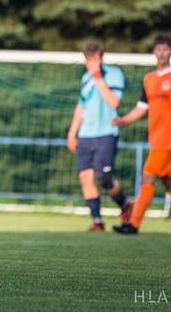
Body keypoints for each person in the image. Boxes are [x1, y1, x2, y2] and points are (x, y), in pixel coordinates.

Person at [113, 34, 171, 236]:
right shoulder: (149, 79)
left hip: (169, 138)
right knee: (169, 181)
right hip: (155, 138)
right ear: (154, 52)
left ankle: (133, 224)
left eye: (166, 49)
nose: (162, 53)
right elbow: (141, 108)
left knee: (148, 176)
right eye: (158, 49)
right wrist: (123, 119)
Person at [66, 43, 132, 232]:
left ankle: (125, 204)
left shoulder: (114, 74)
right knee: (85, 177)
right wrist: (72, 133)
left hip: (106, 134)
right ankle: (97, 221)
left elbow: (114, 102)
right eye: (89, 60)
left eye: (95, 59)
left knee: (104, 178)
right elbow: (81, 107)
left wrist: (99, 79)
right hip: (86, 135)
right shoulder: (85, 78)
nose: (92, 63)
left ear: (101, 58)